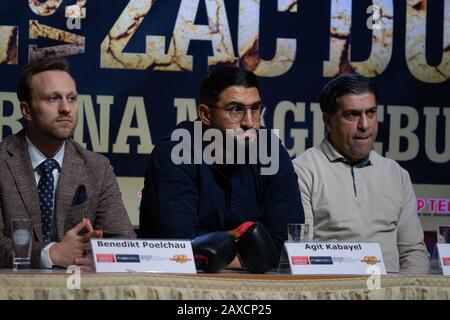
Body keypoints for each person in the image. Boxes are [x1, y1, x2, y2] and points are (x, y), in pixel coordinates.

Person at [139, 67, 304, 257]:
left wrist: (214, 248)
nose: (249, 122)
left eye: (255, 109)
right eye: (236, 110)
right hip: (184, 284)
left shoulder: (271, 151)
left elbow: (288, 245)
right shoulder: (174, 153)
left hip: (260, 284)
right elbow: (178, 249)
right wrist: (255, 253)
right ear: (206, 115)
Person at [0, 57, 135, 269]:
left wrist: (99, 254)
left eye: (71, 98)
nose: (66, 108)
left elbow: (124, 241)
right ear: (26, 110)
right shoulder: (2, 163)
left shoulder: (97, 168)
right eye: (53, 98)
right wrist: (49, 253)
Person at [293, 74, 430, 274]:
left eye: (371, 113)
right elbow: (301, 254)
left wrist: (404, 291)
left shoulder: (396, 174)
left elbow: (413, 252)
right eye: (352, 114)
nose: (365, 125)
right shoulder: (302, 171)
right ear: (327, 121)